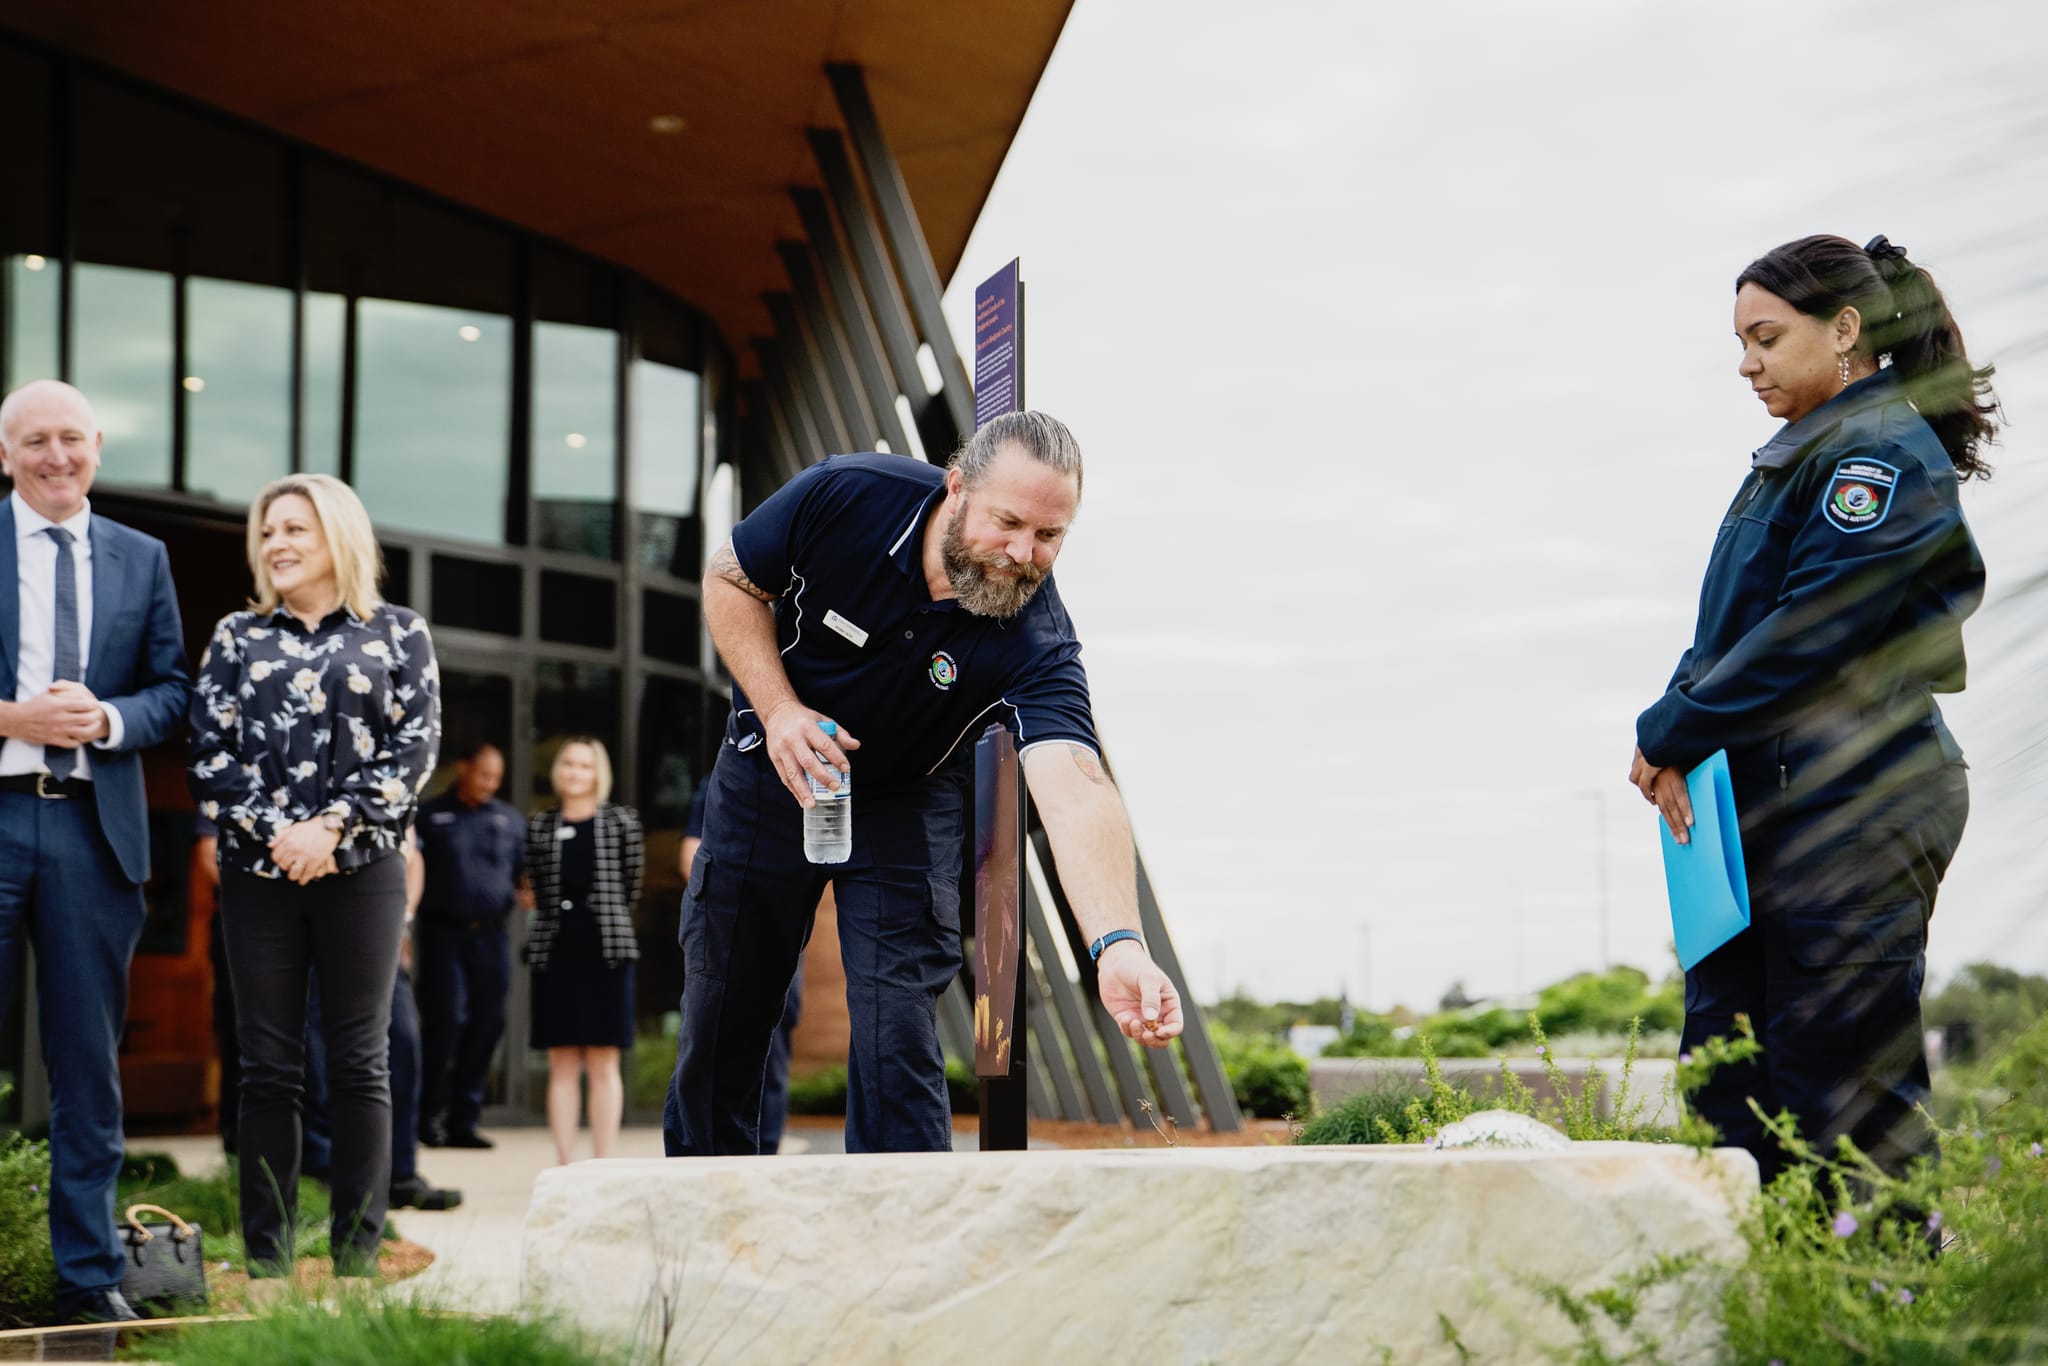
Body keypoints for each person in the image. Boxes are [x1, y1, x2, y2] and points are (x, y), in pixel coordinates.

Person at [664, 410, 1185, 1158]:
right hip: (772, 768)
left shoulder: (1038, 638)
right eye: (1007, 522)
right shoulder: (846, 494)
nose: (1021, 553)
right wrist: (779, 710)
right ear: (957, 486)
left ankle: (901, 1246)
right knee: (725, 1010)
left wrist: (1120, 944)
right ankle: (699, 1234)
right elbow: (732, 578)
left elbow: (1076, 787)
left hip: (904, 800)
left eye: (1049, 535)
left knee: (896, 1029)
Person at [1631, 234, 1994, 1185]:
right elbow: (1734, 628)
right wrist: (1671, 720)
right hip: (1769, 807)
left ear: (1845, 328)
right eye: (1741, 342)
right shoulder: (1796, 456)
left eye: (1765, 337)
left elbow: (1815, 627)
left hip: (1857, 807)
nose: (1746, 363)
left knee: (1840, 1097)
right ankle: (1766, 1313)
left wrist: (1671, 727)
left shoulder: (1878, 453)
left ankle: (1877, 1316)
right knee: (1729, 1077)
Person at [187, 473, 441, 1284]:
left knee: (362, 1059)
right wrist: (281, 834)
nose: (278, 544)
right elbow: (209, 753)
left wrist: (331, 827)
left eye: (295, 528)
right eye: (268, 533)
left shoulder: (400, 634)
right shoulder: (236, 637)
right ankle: (266, 1258)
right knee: (267, 1066)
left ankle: (357, 1256)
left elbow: (415, 748)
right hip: (259, 875)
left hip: (362, 869)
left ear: (337, 535)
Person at [0, 380, 189, 1324]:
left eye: (71, 438)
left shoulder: (141, 556)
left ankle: (85, 1279)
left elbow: (172, 690)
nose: (55, 455)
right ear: (6, 455)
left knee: (87, 1066)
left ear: (98, 447)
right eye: (35, 440)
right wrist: (11, 717)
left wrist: (110, 718)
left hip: (91, 828)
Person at [526, 738, 643, 1164]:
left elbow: (632, 886)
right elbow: (538, 888)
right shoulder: (539, 825)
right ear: (559, 771)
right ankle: (564, 1162)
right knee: (562, 1060)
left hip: (606, 950)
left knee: (602, 1060)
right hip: (556, 951)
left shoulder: (621, 822)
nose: (576, 773)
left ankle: (602, 1161)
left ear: (598, 774)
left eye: (585, 766)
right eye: (569, 764)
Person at [413, 741, 524, 1150]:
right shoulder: (429, 816)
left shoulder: (509, 820)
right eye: (483, 774)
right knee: (445, 1022)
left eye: (496, 777)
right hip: (443, 932)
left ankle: (465, 1120)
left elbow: (522, 876)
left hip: (493, 935)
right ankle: (429, 1117)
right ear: (464, 769)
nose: (490, 783)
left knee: (488, 1022)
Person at [680, 782, 802, 1153]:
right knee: (711, 1036)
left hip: (784, 926)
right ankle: (710, 1151)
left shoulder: (805, 773)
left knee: (775, 1043)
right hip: (728, 926)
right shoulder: (720, 780)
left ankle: (766, 1151)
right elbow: (690, 855)